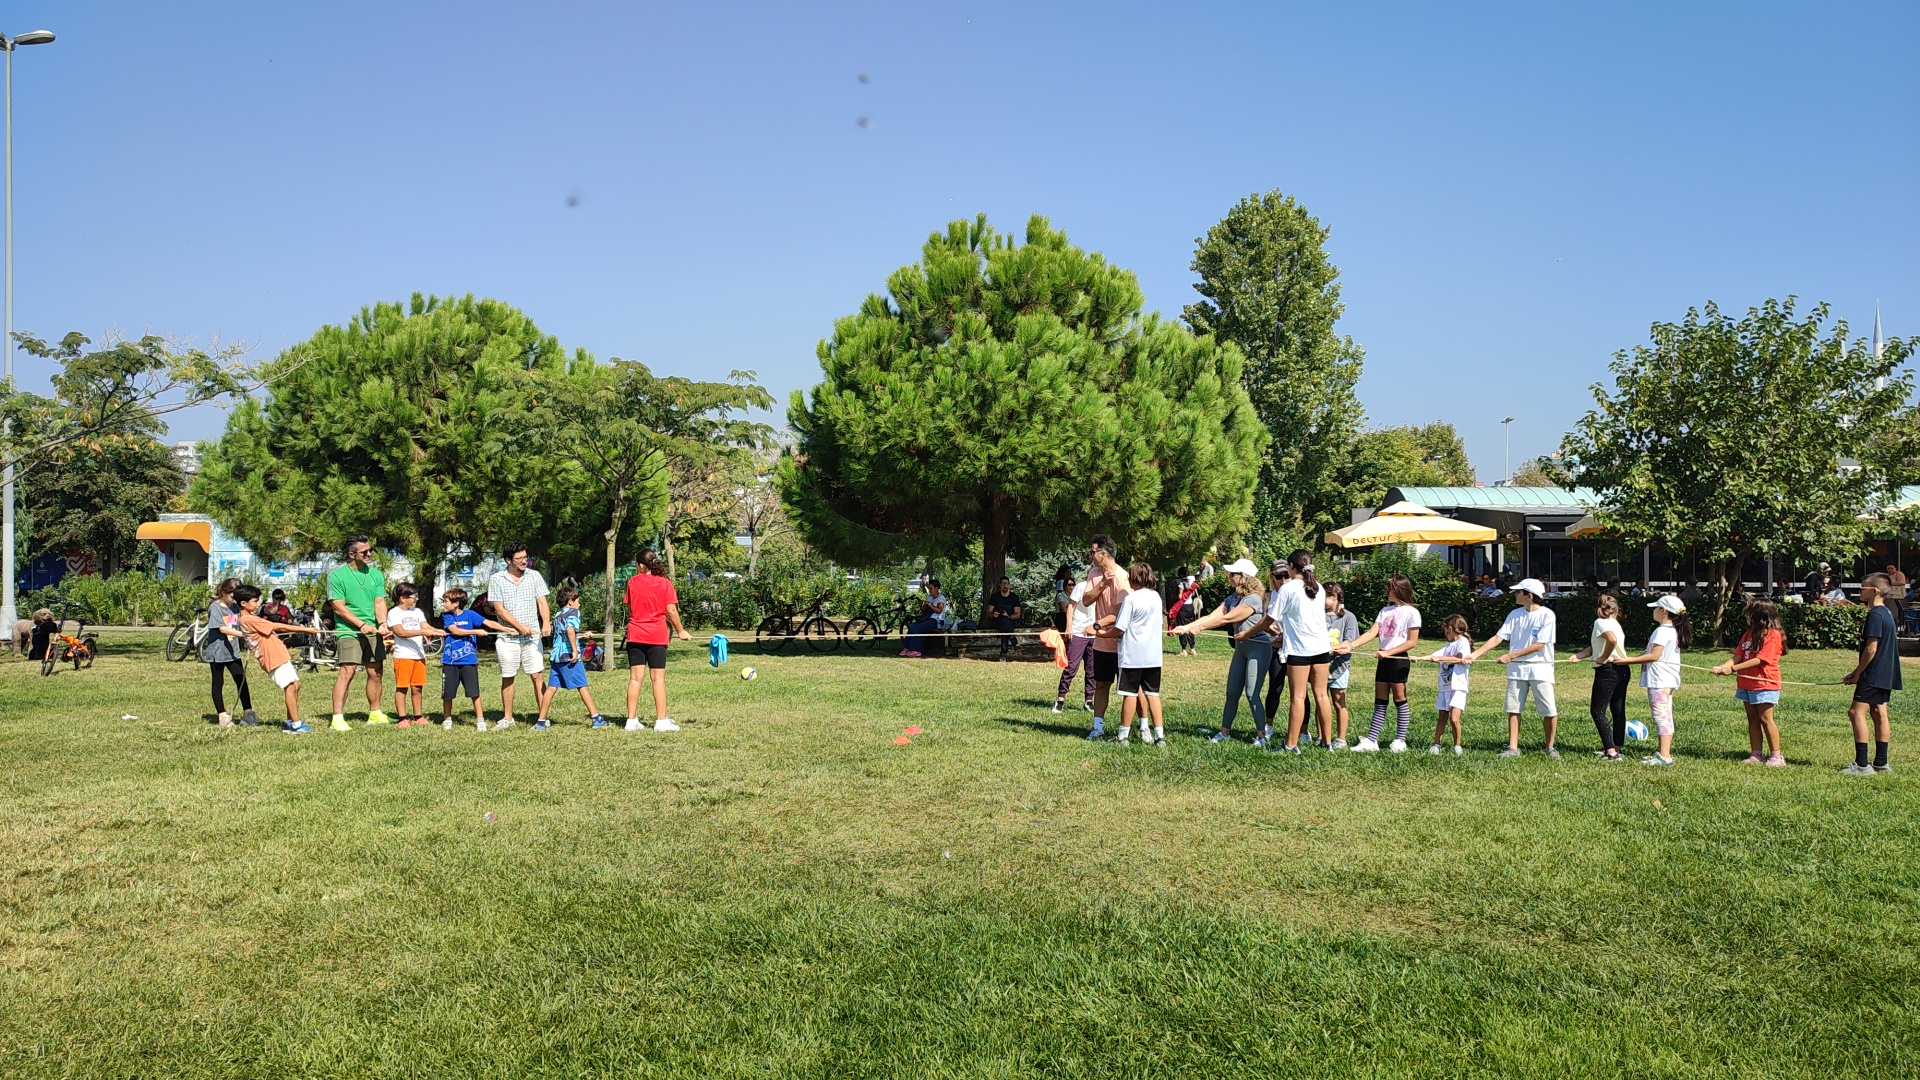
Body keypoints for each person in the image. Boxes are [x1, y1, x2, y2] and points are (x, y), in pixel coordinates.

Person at [1237, 549, 1332, 755]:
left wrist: (1247, 634)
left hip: (1300, 650)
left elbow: (1269, 619)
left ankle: (1290, 745)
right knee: (1322, 695)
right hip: (1322, 649)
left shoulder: (1288, 589)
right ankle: (1327, 743)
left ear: (1291, 567)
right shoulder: (1319, 587)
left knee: (1298, 696)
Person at [1466, 577, 1560, 758]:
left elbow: (1539, 645)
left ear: (1529, 595)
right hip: (1516, 670)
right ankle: (1513, 747)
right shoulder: (1514, 614)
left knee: (1548, 710)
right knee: (1514, 708)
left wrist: (1511, 656)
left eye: (1518, 592)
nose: (1515, 594)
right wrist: (1476, 654)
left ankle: (1550, 747)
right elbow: (1498, 637)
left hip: (1540, 669)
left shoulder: (1547, 615)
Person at [1177, 559, 1269, 744]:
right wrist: (1185, 628)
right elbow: (1213, 616)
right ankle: (1224, 733)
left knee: (1252, 693)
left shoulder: (1253, 599)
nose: (1229, 577)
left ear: (1244, 577)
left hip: (1258, 647)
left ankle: (1262, 736)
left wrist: (1200, 628)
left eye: (1232, 574)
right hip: (1241, 649)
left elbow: (1228, 618)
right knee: (1232, 693)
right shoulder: (1233, 598)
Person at [1336, 573, 1423, 753]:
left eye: (1390, 588)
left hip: (1398, 660)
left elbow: (1412, 641)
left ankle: (1400, 740)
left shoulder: (1412, 612)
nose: (1387, 592)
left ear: (1399, 590)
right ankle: (1372, 740)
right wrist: (1350, 645)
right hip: (1384, 660)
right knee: (1380, 700)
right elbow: (1371, 633)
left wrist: (1388, 652)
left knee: (1399, 698)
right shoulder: (1385, 611)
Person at [1611, 595, 1689, 766]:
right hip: (1667, 680)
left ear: (1663, 611)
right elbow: (1650, 653)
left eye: (1656, 608)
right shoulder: (1671, 630)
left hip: (1659, 680)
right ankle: (1662, 752)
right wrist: (1630, 658)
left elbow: (1654, 656)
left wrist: (1626, 661)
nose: (1653, 611)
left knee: (1661, 717)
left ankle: (1664, 756)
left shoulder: (1662, 631)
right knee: (1666, 715)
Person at [328, 534, 392, 731]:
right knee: (348, 671)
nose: (369, 554)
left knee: (376, 671)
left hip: (373, 630)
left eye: (370, 550)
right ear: (352, 554)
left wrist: (383, 623)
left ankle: (375, 713)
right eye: (364, 552)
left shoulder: (376, 575)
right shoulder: (337, 576)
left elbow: (379, 602)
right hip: (348, 630)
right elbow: (338, 607)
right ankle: (337, 718)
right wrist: (360, 624)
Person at [624, 547, 693, 731]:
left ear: (641, 565)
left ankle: (631, 721)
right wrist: (681, 631)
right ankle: (661, 721)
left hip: (635, 635)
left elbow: (631, 607)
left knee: (635, 679)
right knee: (658, 679)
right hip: (656, 636)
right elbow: (671, 610)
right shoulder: (665, 584)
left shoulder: (633, 582)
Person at [486, 542, 552, 730]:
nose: (524, 561)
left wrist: (546, 622)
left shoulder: (534, 576)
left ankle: (543, 719)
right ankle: (508, 719)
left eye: (525, 557)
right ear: (508, 560)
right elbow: (499, 609)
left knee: (537, 675)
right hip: (507, 637)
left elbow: (542, 602)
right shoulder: (497, 579)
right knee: (508, 676)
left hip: (532, 638)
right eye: (519, 558)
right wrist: (519, 626)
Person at [1713, 598, 1786, 766]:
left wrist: (1733, 669)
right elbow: (1738, 655)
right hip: (1746, 683)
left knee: (1765, 719)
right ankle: (1756, 754)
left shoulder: (1773, 635)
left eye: (1749, 612)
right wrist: (1723, 667)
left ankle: (1776, 757)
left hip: (1764, 683)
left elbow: (1760, 659)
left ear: (1760, 614)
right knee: (1752, 719)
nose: (1746, 615)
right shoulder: (1748, 634)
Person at [1840, 572, 1901, 775]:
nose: (1860, 591)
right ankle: (1881, 762)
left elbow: (1871, 648)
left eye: (1863, 588)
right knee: (1878, 711)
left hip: (1873, 672)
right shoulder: (1887, 613)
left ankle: (1862, 765)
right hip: (1886, 672)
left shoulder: (1874, 615)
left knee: (1855, 712)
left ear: (1874, 591)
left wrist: (1858, 673)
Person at [233, 584, 315, 733]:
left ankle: (290, 722)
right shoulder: (248, 619)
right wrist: (305, 630)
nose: (258, 604)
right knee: (290, 686)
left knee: (296, 685)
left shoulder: (249, 619)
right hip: (273, 658)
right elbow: (277, 626)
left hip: (278, 654)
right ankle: (296, 725)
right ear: (243, 603)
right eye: (255, 601)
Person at [1106, 561, 1165, 744]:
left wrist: (1100, 633)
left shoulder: (1131, 599)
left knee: (1129, 694)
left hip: (1132, 656)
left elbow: (1119, 628)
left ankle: (1123, 735)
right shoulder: (1156, 597)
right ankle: (1160, 736)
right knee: (1153, 694)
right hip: (1153, 656)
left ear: (1134, 579)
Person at [1564, 594, 1628, 761]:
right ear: (1616, 610)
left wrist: (1603, 658)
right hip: (1622, 669)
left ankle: (1611, 752)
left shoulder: (1600, 622)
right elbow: (1596, 646)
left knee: (1597, 711)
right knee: (1618, 711)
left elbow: (1611, 640)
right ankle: (1617, 748)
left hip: (1607, 671)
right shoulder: (1615, 624)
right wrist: (1578, 656)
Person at [1082, 535, 1130, 741]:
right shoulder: (1094, 573)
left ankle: (1140, 728)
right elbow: (1086, 600)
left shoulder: (1123, 577)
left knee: (1130, 690)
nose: (1090, 556)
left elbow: (1122, 612)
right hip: (1101, 644)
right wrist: (1102, 583)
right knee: (1101, 684)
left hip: (1122, 644)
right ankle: (1097, 728)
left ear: (1103, 554)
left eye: (1092, 552)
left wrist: (1097, 625)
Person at [535, 585, 603, 729]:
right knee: (582, 686)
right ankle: (596, 718)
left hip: (557, 656)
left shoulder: (558, 614)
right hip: (569, 657)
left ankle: (541, 721)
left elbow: (565, 634)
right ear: (570, 602)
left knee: (551, 688)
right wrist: (575, 651)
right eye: (577, 600)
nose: (579, 603)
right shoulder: (574, 612)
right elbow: (570, 630)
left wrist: (583, 635)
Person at [384, 583, 444, 728]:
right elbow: (401, 632)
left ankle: (418, 716)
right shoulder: (394, 613)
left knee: (417, 687)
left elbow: (425, 626)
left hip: (419, 655)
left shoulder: (417, 612)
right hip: (403, 656)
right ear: (402, 598)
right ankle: (402, 718)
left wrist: (436, 630)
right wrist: (423, 632)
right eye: (414, 596)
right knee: (402, 687)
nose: (417, 599)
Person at [201, 577, 257, 729]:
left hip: (233, 652)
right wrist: (243, 635)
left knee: (241, 680)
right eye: (232, 596)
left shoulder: (235, 607)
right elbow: (222, 628)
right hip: (218, 652)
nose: (234, 600)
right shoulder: (215, 607)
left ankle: (248, 713)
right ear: (224, 593)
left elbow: (244, 621)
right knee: (218, 682)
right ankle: (222, 716)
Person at [1414, 614, 1472, 755]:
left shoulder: (1463, 642)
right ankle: (1436, 745)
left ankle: (1457, 746)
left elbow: (1459, 658)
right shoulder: (1447, 646)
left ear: (1451, 628)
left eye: (1445, 629)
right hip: (1445, 686)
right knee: (1442, 716)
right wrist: (1419, 658)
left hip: (1458, 687)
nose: (1445, 633)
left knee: (1454, 718)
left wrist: (1439, 658)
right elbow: (1433, 656)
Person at [437, 587, 489, 730]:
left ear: (456, 603)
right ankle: (447, 719)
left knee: (474, 692)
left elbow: (488, 623)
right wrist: (476, 631)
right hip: (450, 662)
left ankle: (480, 720)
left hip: (469, 661)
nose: (443, 604)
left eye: (446, 601)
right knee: (448, 694)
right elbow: (455, 631)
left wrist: (507, 629)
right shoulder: (447, 616)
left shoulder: (471, 614)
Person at [1051, 573, 1097, 715]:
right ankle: (1060, 700)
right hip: (1078, 631)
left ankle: (1089, 701)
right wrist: (1069, 626)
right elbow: (1070, 607)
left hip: (1094, 633)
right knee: (1071, 667)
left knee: (1092, 669)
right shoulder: (1081, 587)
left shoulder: (1104, 589)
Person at [1323, 584, 1359, 748]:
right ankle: (1322, 736)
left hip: (1340, 665)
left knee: (1339, 700)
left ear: (1335, 596)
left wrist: (1333, 648)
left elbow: (1349, 641)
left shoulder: (1348, 617)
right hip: (1321, 664)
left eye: (1324, 596)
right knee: (1322, 699)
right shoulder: (1317, 615)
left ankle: (1341, 738)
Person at [1260, 561, 1292, 737]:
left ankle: (1303, 730)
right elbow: (1261, 620)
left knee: (1299, 691)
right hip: (1274, 646)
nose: (1283, 579)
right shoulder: (1267, 597)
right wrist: (1268, 628)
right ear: (1272, 577)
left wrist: (1285, 636)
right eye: (1279, 576)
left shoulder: (1297, 594)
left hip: (1294, 647)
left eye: (1287, 575)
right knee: (1275, 686)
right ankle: (1268, 725)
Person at [899, 578, 953, 659]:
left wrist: (930, 604)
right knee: (912, 626)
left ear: (936, 588)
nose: (930, 590)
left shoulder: (941, 598)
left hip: (936, 621)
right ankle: (907, 647)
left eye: (931, 588)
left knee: (917, 628)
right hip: (927, 619)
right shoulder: (930, 597)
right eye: (929, 588)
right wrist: (922, 605)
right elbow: (924, 610)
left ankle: (916, 650)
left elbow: (939, 611)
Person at [985, 577, 1022, 662]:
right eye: (1003, 583)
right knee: (1004, 623)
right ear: (1000, 585)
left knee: (1005, 627)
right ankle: (1013, 640)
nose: (1005, 586)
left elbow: (1017, 615)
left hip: (1010, 622)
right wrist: (993, 614)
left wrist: (1008, 616)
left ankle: (1003, 655)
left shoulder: (1014, 598)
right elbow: (988, 612)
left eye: (1006, 584)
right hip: (997, 621)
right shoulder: (995, 597)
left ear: (1009, 585)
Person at [1169, 566, 1202, 656]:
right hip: (1190, 606)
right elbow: (1193, 593)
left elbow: (1180, 596)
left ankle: (1184, 650)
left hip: (1183, 607)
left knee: (1182, 627)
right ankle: (1192, 648)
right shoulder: (1192, 581)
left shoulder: (1181, 583)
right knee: (1190, 627)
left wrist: (1175, 596)